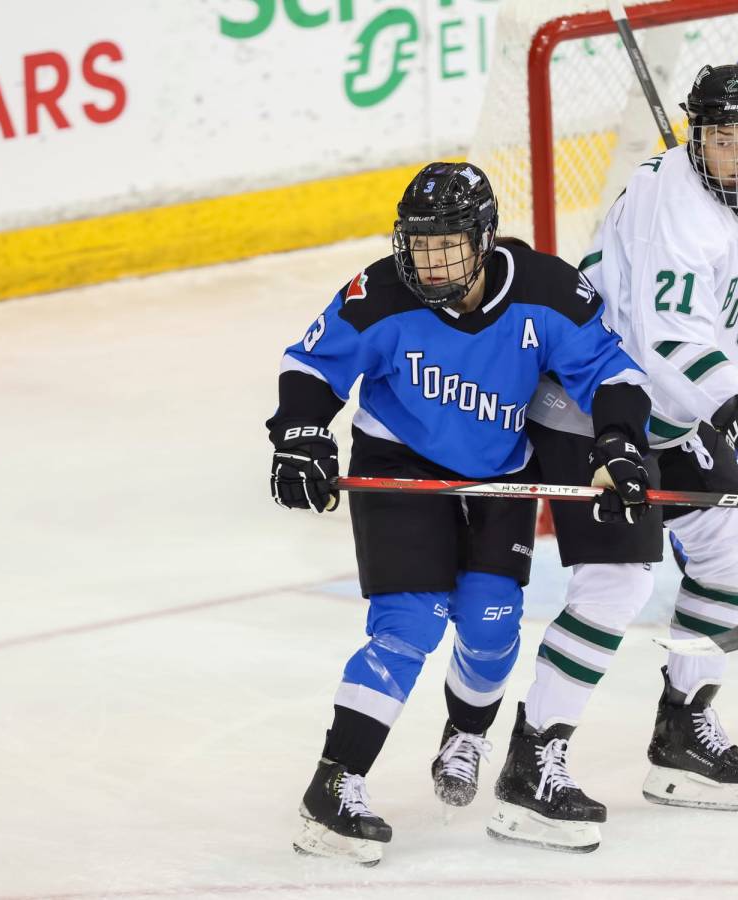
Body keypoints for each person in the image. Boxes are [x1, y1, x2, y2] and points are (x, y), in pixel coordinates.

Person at [486, 63, 738, 854]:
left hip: (674, 409)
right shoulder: (669, 205)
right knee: (617, 582)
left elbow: (730, 279)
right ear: (697, 136)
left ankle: (682, 731)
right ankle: (532, 763)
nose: (736, 152)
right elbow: (669, 343)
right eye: (720, 137)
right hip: (592, 402)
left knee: (731, 546)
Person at [266, 161, 651, 865]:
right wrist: (300, 434)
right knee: (408, 622)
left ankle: (467, 734)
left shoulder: (547, 292)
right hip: (397, 463)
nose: (429, 259)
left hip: (500, 474)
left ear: (484, 238)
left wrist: (619, 442)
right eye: (417, 243)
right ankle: (335, 783)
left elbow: (613, 372)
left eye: (447, 244)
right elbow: (312, 367)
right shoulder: (378, 294)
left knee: (491, 622)